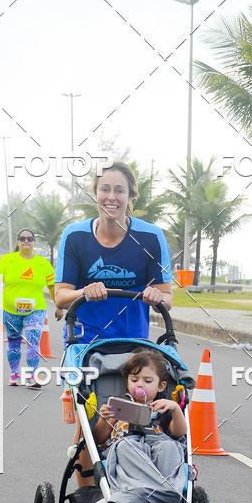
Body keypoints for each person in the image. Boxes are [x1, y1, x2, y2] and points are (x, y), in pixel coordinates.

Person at [53, 161, 173, 486]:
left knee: (138, 418)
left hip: (135, 346)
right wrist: (85, 291)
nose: (111, 197)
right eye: (104, 189)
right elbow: (61, 296)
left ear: (130, 195)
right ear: (95, 193)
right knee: (91, 422)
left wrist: (155, 295)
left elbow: (167, 298)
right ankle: (86, 498)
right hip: (87, 345)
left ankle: (137, 484)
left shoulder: (151, 237)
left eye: (119, 190)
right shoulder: (75, 236)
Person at [94, 350, 186, 503]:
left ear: (161, 386)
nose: (140, 384)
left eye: (147, 381)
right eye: (134, 380)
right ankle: (164, 494)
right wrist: (104, 419)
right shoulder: (119, 405)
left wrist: (176, 409)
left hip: (156, 443)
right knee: (127, 446)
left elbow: (179, 433)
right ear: (127, 382)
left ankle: (149, 493)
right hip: (127, 445)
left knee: (170, 446)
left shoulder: (163, 407)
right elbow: (100, 439)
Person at [0, 228, 63, 388]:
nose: (26, 241)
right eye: (22, 238)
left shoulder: (43, 263)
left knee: (33, 340)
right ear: (18, 241)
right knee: (14, 342)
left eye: (30, 238)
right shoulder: (6, 260)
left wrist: (58, 306)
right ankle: (14, 374)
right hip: (10, 310)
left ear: (34, 242)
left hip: (35, 310)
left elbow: (52, 287)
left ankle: (32, 375)